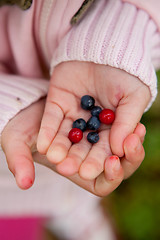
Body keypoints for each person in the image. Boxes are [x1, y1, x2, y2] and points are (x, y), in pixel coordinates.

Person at [0, 0, 160, 239]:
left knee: (75, 179)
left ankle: (76, 212)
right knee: (17, 219)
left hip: (54, 135)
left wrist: (122, 28)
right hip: (8, 177)